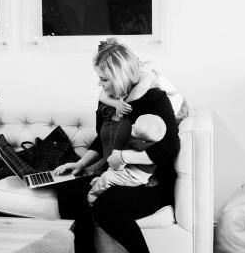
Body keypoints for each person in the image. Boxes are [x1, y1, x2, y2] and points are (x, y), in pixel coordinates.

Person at [53, 40, 180, 253]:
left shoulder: (154, 99)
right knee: (67, 190)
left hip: (149, 182)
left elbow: (169, 148)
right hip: (114, 173)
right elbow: (100, 139)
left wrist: (124, 157)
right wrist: (80, 163)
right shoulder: (107, 102)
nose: (99, 85)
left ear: (120, 76)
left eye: (104, 79)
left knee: (106, 206)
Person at [97, 38, 188, 120]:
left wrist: (123, 105)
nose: (100, 83)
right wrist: (116, 104)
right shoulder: (126, 76)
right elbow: (102, 95)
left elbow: (140, 90)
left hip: (177, 109)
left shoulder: (145, 72)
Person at [86, 114, 166, 205]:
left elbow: (121, 159)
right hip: (132, 172)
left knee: (107, 176)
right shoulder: (148, 143)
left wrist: (117, 155)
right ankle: (103, 183)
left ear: (142, 139)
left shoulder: (139, 144)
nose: (132, 125)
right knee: (110, 171)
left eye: (135, 128)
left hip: (133, 176)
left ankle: (93, 196)